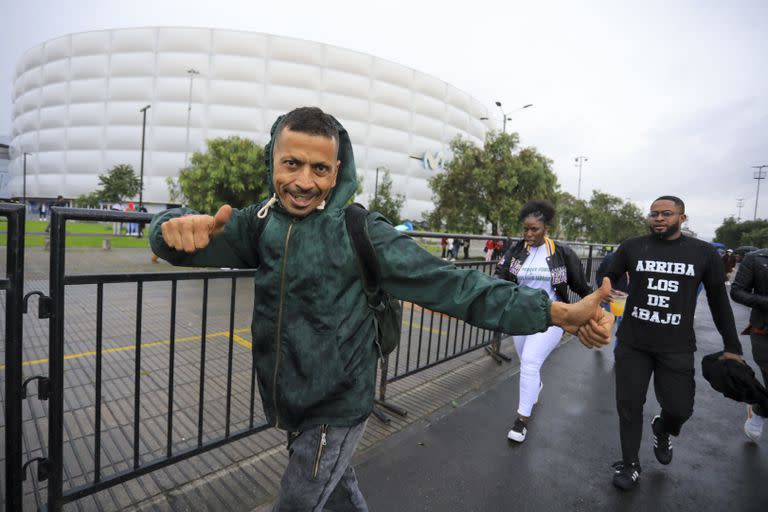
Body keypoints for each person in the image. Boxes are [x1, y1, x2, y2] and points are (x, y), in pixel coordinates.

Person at [149, 106, 614, 511]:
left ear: (338, 171)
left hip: (337, 405)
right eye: (291, 163)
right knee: (337, 495)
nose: (304, 182)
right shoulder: (260, 223)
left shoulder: (361, 230)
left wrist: (556, 314)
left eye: (320, 168)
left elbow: (454, 285)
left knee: (296, 502)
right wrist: (168, 229)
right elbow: (182, 240)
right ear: (273, 159)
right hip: (289, 401)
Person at [604, 195, 744, 491]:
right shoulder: (632, 246)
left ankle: (663, 427)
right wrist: (607, 290)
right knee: (628, 406)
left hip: (676, 345)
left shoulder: (703, 253)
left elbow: (719, 301)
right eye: (654, 213)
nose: (658, 218)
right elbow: (609, 274)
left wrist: (733, 347)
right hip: (633, 342)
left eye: (666, 213)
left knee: (680, 409)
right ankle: (630, 465)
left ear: (682, 217)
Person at [493, 199, 592, 443]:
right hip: (520, 316)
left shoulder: (561, 252)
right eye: (525, 228)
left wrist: (595, 304)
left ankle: (521, 421)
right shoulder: (516, 251)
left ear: (546, 227)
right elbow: (499, 277)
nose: (528, 234)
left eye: (534, 229)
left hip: (551, 317)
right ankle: (534, 387)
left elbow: (580, 285)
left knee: (529, 361)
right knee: (526, 361)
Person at [729, 248, 768, 441]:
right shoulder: (756, 258)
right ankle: (760, 409)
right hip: (764, 330)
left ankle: (760, 407)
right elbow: (736, 291)